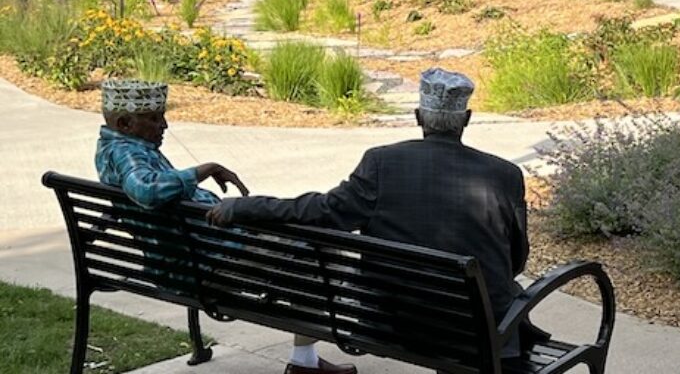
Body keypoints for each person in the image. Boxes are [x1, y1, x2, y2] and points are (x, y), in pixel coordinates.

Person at [207, 68, 530, 358]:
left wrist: (244, 206)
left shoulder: (381, 163)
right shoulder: (505, 174)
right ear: (467, 118)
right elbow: (516, 259)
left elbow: (322, 212)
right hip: (476, 329)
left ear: (418, 116)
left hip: (393, 323)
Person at [96, 80, 356, 374]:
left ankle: (306, 357)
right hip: (210, 266)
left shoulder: (116, 148)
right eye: (154, 118)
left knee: (303, 236)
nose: (164, 125)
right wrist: (205, 169)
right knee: (322, 251)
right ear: (124, 123)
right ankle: (306, 359)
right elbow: (147, 191)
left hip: (197, 256)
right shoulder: (126, 153)